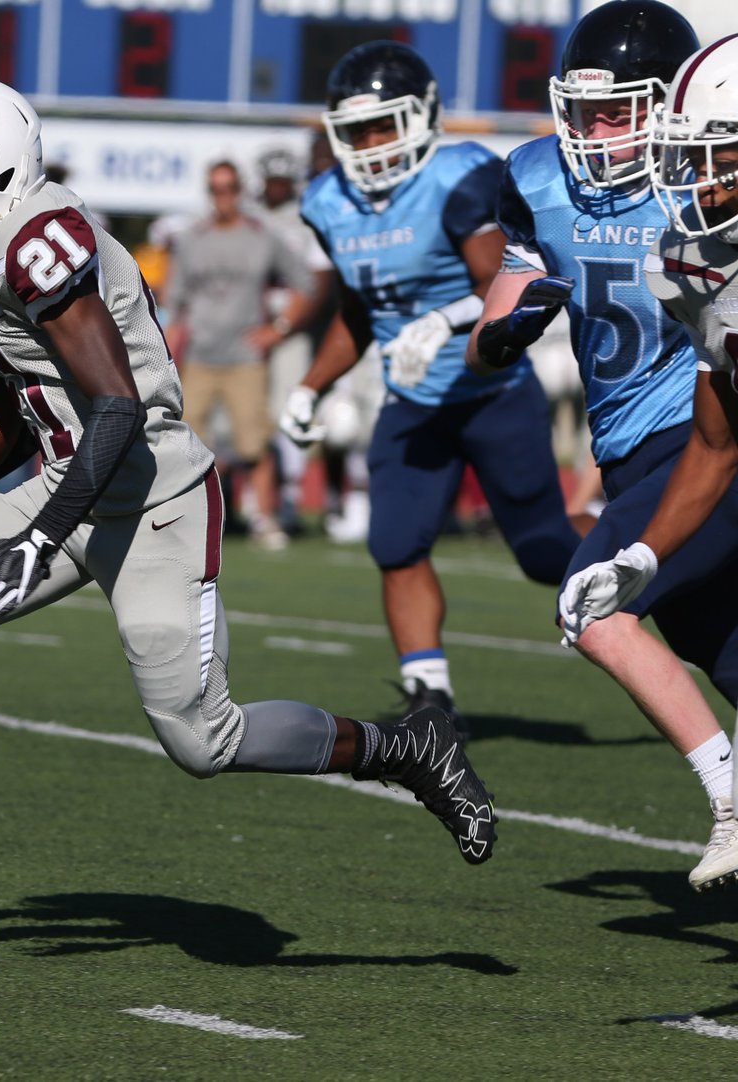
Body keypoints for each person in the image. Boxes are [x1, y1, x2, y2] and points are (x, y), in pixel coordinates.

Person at [0, 75, 497, 943]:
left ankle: (405, 749)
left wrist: (39, 534)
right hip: (70, 477)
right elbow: (33, 392)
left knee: (202, 740)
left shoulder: (38, 242)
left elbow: (115, 407)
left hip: (152, 493)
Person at [465, 3, 738, 893]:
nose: (596, 133)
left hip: (700, 435)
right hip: (628, 445)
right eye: (584, 112)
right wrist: (506, 331)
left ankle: (730, 805)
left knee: (594, 609)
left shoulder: (703, 175)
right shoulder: (539, 180)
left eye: (619, 110)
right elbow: (498, 313)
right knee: (724, 650)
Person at [279, 41, 581, 729]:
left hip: (490, 391)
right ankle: (429, 694)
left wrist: (440, 321)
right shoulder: (328, 202)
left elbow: (503, 283)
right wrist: (311, 386)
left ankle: (630, 548)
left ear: (423, 117)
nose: (372, 143)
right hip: (413, 402)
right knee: (395, 543)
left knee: (543, 556)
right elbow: (359, 309)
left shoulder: (460, 177)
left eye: (385, 124)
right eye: (357, 130)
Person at [557, 33, 738, 874]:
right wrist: (641, 553)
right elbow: (715, 440)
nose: (699, 185)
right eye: (692, 160)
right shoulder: (696, 264)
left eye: (721, 160)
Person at [162, 159, 315, 550]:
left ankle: (265, 517)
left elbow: (305, 282)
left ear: (241, 191)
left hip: (245, 355)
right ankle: (190, 520)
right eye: (216, 189)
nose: (223, 197)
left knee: (253, 443)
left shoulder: (261, 235)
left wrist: (277, 329)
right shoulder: (193, 238)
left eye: (229, 188)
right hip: (200, 355)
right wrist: (166, 355)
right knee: (186, 443)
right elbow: (173, 304)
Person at [254, 147, 335, 536]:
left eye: (283, 182)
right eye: (272, 181)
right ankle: (256, 502)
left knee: (290, 408)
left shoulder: (306, 218)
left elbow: (317, 283)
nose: (277, 189)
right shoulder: (248, 216)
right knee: (250, 416)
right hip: (250, 324)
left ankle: (287, 499)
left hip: (293, 324)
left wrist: (287, 324)